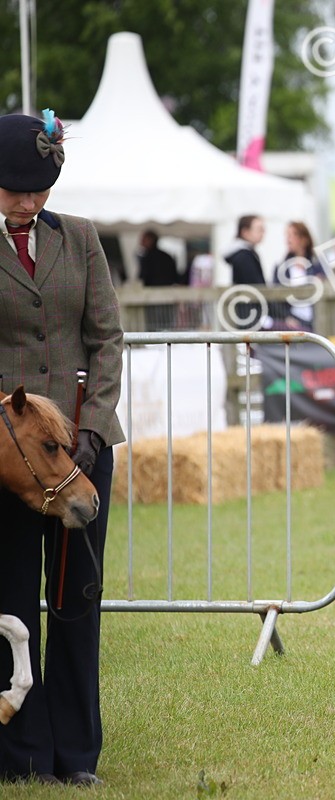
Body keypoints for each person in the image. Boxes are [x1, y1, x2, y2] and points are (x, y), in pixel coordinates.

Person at [0, 110, 124, 786]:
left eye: (40, 188)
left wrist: (94, 432)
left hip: (79, 451)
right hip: (9, 461)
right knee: (13, 601)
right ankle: (22, 757)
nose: (29, 201)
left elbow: (107, 340)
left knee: (76, 600)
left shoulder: (79, 239)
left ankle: (78, 756)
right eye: (16, 189)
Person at [223, 214, 272, 329]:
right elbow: (257, 287)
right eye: (260, 229)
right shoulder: (244, 257)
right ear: (245, 232)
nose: (263, 233)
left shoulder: (245, 254)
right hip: (251, 316)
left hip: (249, 315)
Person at [274, 221, 322, 331]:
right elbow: (275, 298)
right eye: (287, 235)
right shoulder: (281, 268)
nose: (288, 239)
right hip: (293, 323)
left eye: (293, 235)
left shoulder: (317, 265)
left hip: (317, 320)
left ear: (304, 239)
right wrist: (286, 317)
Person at [138, 229, 182, 330]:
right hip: (168, 297)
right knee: (166, 326)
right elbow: (176, 277)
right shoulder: (167, 256)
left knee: (153, 326)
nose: (141, 241)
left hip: (151, 298)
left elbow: (142, 277)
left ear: (151, 240)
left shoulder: (147, 257)